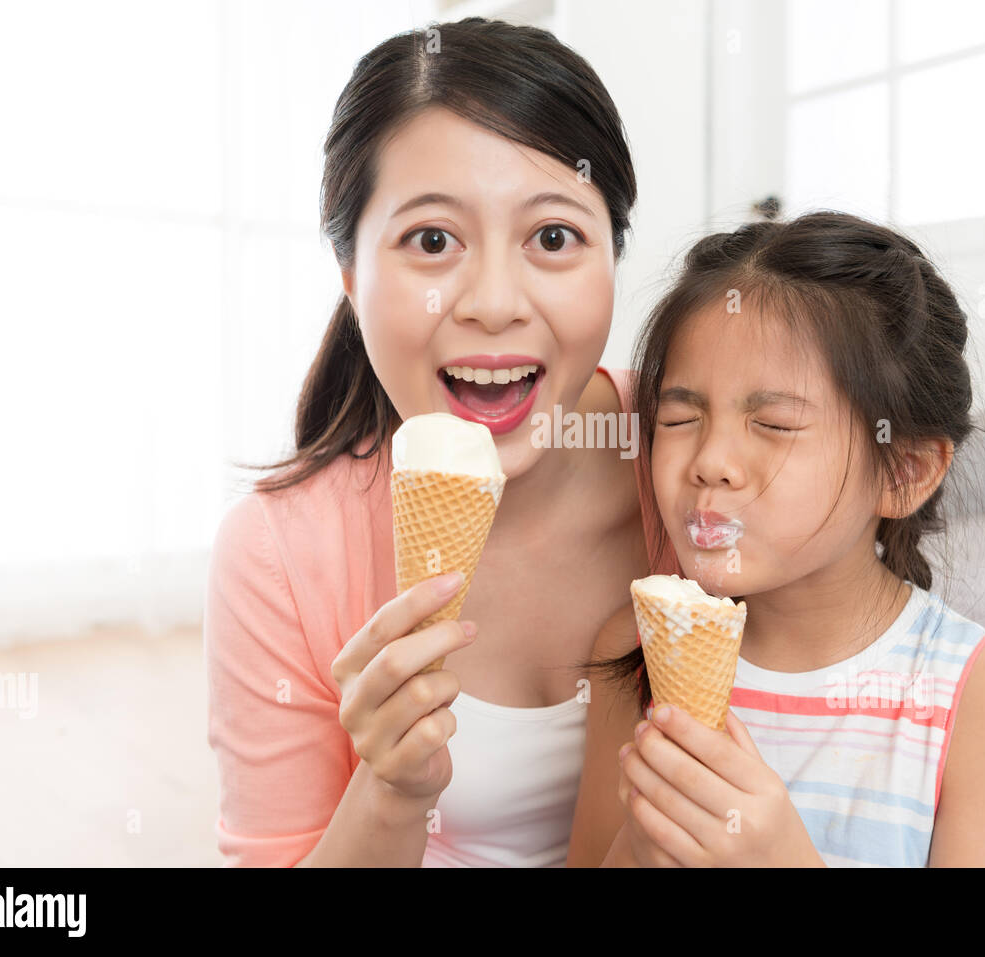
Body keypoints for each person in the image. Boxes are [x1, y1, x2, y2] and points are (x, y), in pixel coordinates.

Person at [204, 17, 677, 867]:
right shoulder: (277, 553)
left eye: (554, 237)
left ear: (614, 257)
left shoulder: (697, 459)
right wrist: (389, 791)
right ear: (352, 279)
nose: (494, 302)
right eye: (431, 241)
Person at [567, 211, 985, 867]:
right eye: (680, 416)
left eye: (771, 423)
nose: (710, 459)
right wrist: (644, 840)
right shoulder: (634, 651)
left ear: (903, 472)